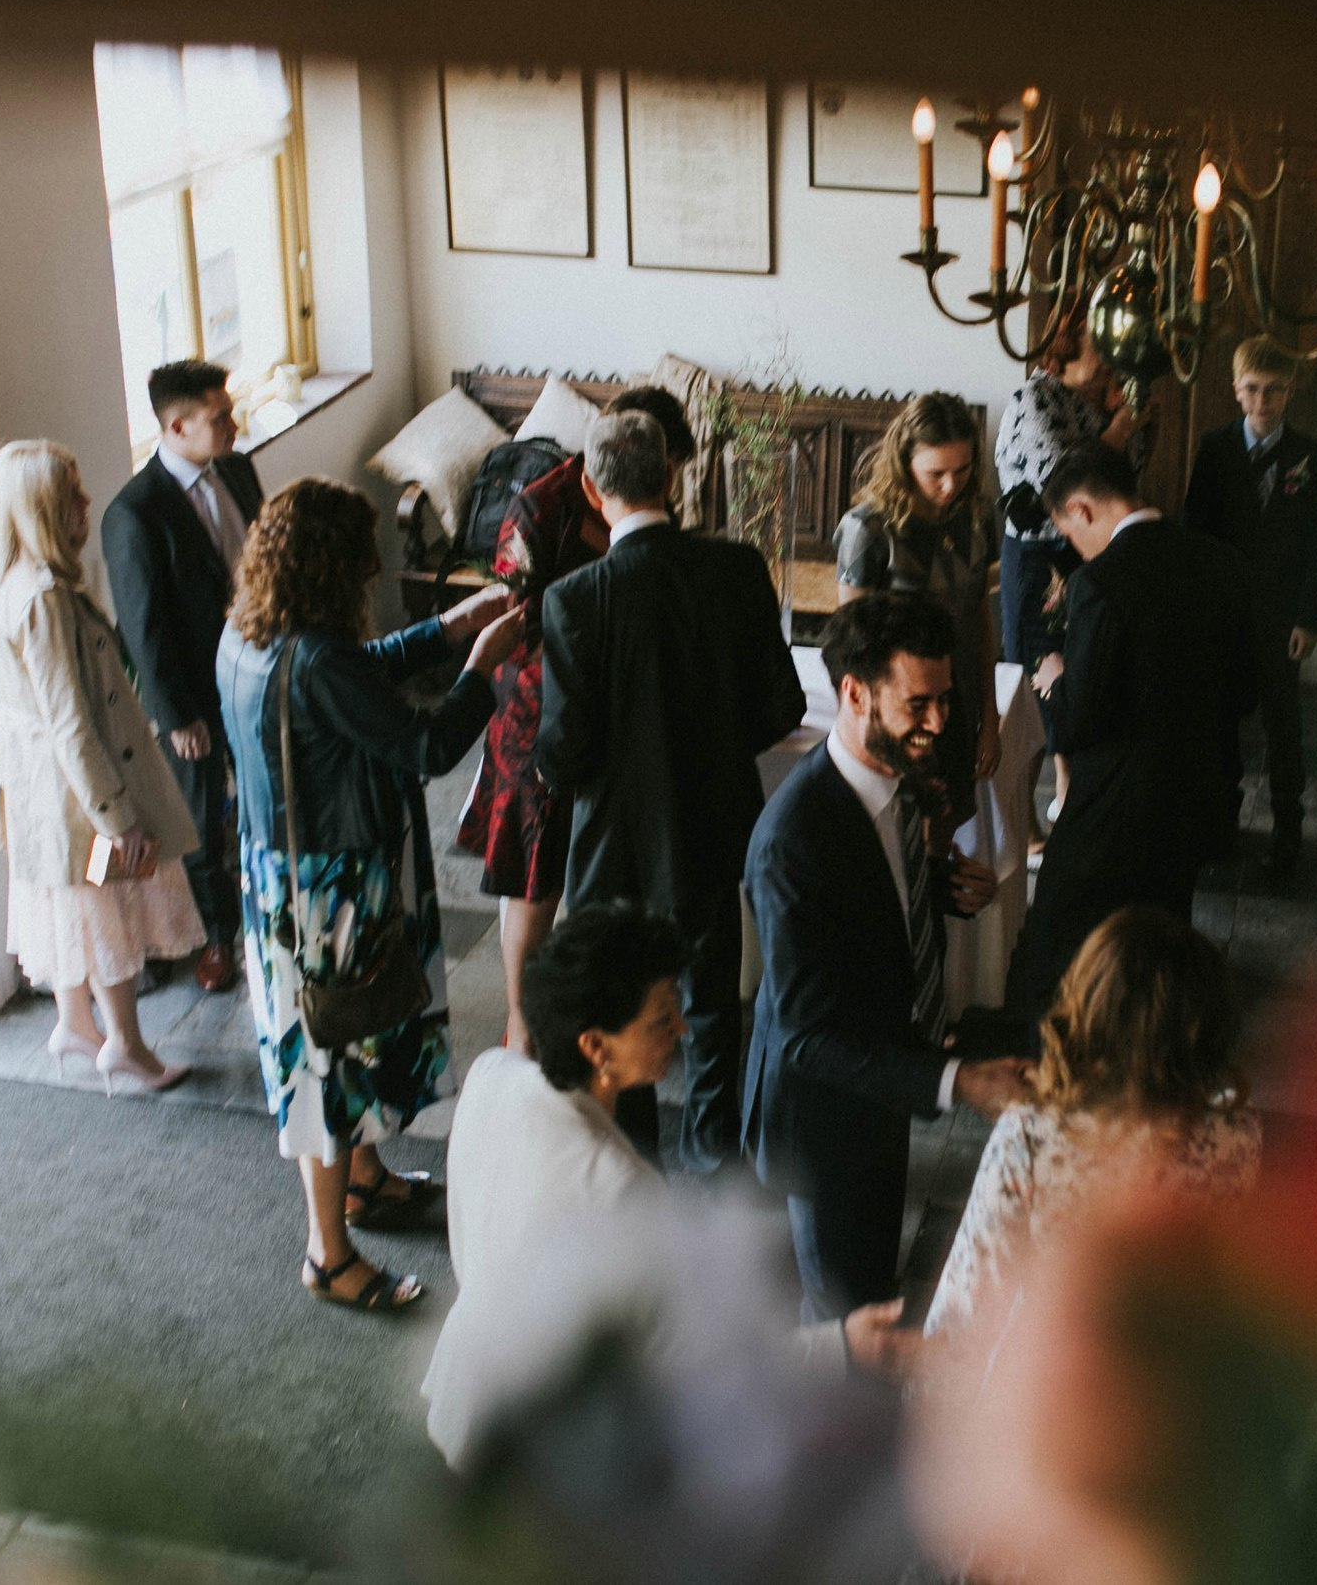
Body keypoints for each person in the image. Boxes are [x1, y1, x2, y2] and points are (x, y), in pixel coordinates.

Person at [423, 902, 927, 1468]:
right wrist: (842, 1345)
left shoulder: (491, 1074)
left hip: (467, 1387)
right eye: (661, 1020)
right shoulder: (620, 1187)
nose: (682, 1030)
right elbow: (694, 1361)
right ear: (596, 1046)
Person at [218, 477, 526, 1311]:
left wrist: (443, 627)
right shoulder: (318, 659)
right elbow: (427, 747)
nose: (371, 572)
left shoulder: (246, 634)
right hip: (327, 893)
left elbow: (350, 674)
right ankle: (328, 1255)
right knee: (325, 1065)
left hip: (278, 876)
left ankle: (364, 1179)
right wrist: (479, 666)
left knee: (341, 1040)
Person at [745, 594, 1031, 1321]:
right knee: (848, 1317)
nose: (938, 722)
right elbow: (807, 1038)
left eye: (945, 700)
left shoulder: (894, 782)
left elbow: (875, 893)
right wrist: (960, 1081)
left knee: (871, 1279)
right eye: (918, 704)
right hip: (825, 1120)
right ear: (854, 693)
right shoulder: (794, 839)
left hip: (879, 1082)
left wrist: (939, 888)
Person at [539, 409, 806, 1173]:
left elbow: (563, 754)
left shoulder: (574, 599)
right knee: (713, 1010)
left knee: (623, 1015)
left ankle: (634, 1170)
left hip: (614, 848)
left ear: (593, 491)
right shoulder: (737, 569)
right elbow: (782, 707)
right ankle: (713, 1167)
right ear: (670, 476)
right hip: (712, 828)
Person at [458, 386, 698, 1050]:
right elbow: (516, 619)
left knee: (603, 867)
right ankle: (521, 1019)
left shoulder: (644, 494)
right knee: (534, 879)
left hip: (614, 706)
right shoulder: (538, 506)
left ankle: (605, 1006)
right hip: (539, 709)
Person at [0, 439, 203, 1093]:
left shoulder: (1, 585)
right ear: (41, 509)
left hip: (38, 792)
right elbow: (70, 720)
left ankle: (75, 1023)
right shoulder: (43, 598)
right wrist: (118, 819)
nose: (87, 501)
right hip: (79, 801)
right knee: (104, 905)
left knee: (70, 905)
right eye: (72, 494)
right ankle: (126, 1044)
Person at [1000, 445, 1256, 1028]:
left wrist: (1056, 681)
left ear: (1082, 509)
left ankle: (1067, 1046)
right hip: (1195, 791)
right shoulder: (1221, 562)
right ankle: (1158, 1040)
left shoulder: (1100, 582)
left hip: (1117, 805)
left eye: (1070, 532)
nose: (1075, 548)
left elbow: (1081, 720)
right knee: (1162, 935)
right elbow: (1244, 692)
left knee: (1066, 938)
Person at [926, 906, 1264, 1339]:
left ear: (1085, 1008)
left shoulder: (1031, 1137)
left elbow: (968, 1302)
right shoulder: (1238, 1130)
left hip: (1059, 1361)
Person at [101, 360, 263, 993]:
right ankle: (219, 939)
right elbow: (143, 628)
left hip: (257, 669)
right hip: (193, 694)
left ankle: (273, 910)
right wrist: (176, 716)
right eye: (219, 418)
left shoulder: (239, 471)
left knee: (266, 792)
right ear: (176, 427)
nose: (233, 425)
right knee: (200, 822)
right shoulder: (134, 513)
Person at [1181, 336, 1317, 879]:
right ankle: (1220, 819)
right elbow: (1195, 530)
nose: (1263, 400)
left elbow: (1316, 541)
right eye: (1253, 389)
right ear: (1236, 391)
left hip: (1279, 614)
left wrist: (1307, 618)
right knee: (1220, 718)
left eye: (1273, 390)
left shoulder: (1307, 454)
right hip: (1224, 610)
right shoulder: (1215, 447)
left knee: (1283, 724)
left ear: (1290, 392)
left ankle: (1287, 829)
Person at [993, 315, 1142, 847]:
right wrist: (1119, 430)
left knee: (1078, 679)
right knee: (1034, 689)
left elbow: (1122, 480)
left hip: (1087, 555)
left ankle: (1067, 804)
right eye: (1102, 342)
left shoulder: (1092, 403)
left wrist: (1125, 425)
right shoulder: (1035, 399)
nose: (1113, 354)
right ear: (1068, 343)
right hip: (1040, 559)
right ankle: (1019, 822)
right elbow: (1065, 484)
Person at [834, 391, 1002, 824]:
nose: (950, 485)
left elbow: (979, 621)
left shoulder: (977, 518)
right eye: (936, 473)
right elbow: (853, 647)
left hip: (958, 699)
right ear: (905, 462)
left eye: (963, 470)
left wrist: (990, 716)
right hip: (898, 715)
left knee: (949, 819)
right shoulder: (868, 528)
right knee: (902, 826)